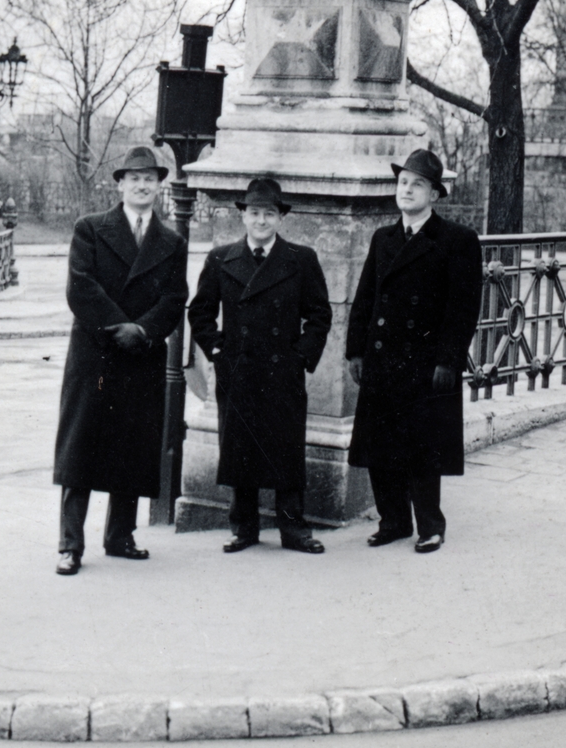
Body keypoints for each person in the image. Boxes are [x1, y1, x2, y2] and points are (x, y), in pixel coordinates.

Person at [52, 146, 189, 576]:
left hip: (141, 354)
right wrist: (120, 327)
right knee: (80, 450)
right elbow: (81, 288)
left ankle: (120, 537)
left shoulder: (171, 242)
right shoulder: (90, 229)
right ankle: (70, 545)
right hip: (96, 355)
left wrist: (143, 331)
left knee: (131, 448)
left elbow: (174, 298)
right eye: (134, 178)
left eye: (150, 178)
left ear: (159, 185)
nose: (142, 185)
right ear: (120, 184)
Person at [345, 149, 482, 553]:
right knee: (380, 444)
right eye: (402, 182)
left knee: (424, 448)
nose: (406, 189)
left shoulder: (457, 240)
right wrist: (356, 351)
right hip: (383, 357)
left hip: (425, 362)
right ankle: (393, 521)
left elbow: (463, 308)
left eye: (417, 183)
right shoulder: (383, 237)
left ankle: (430, 526)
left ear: (435, 195)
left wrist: (448, 359)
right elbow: (365, 297)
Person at [188, 177, 333, 554]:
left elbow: (319, 314)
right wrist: (218, 350)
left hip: (281, 369)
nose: (261, 220)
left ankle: (293, 528)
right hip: (238, 368)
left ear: (280, 218)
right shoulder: (220, 258)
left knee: (286, 448)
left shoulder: (301, 259)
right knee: (240, 447)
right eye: (254, 212)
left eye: (269, 213)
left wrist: (300, 356)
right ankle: (244, 527)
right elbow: (200, 311)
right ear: (244, 217)